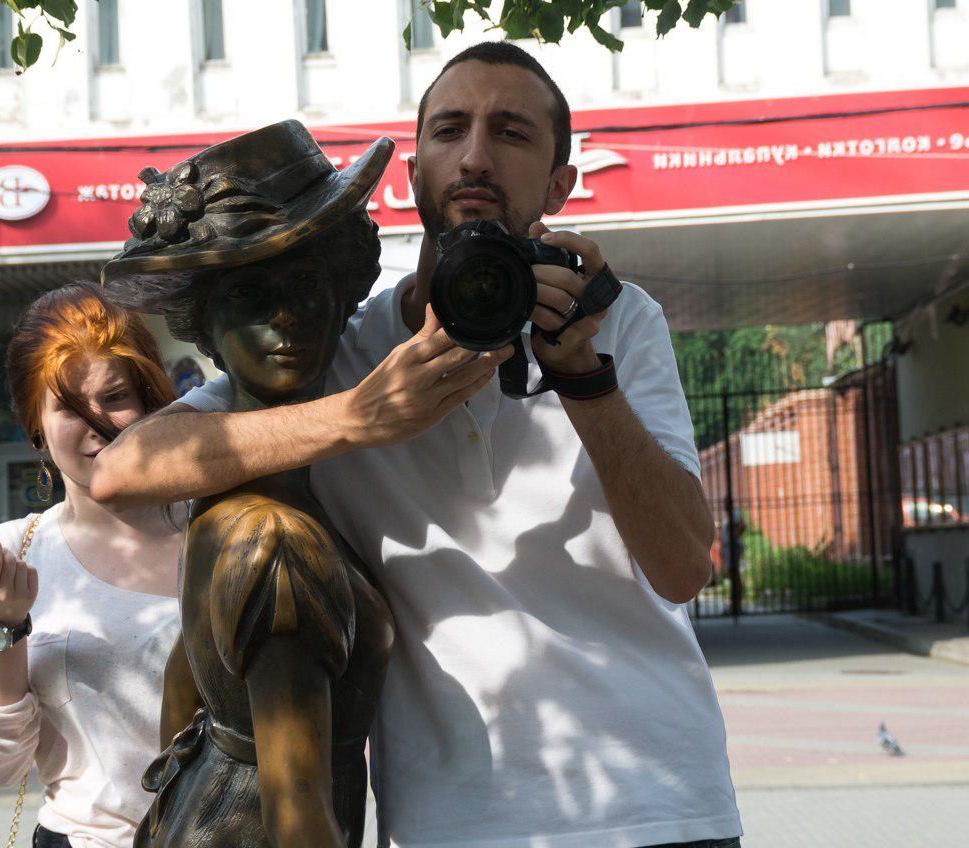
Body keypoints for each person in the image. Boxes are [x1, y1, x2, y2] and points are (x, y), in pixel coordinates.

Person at [93, 41, 742, 848]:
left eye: (511, 132)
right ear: (412, 174)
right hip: (451, 825)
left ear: (559, 185)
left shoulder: (619, 322)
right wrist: (360, 415)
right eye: (449, 130)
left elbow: (683, 569)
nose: (475, 156)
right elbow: (122, 470)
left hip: (660, 807)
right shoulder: (342, 352)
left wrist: (585, 378)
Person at [103, 121, 396, 848]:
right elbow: (299, 819)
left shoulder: (233, 501)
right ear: (205, 322)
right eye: (250, 293)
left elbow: (183, 706)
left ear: (342, 289)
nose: (285, 316)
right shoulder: (274, 539)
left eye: (306, 284)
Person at [0, 282, 189, 848]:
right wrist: (3, 625)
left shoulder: (219, 528)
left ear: (150, 402)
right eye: (68, 406)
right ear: (37, 426)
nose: (97, 422)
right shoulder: (18, 549)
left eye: (116, 396)